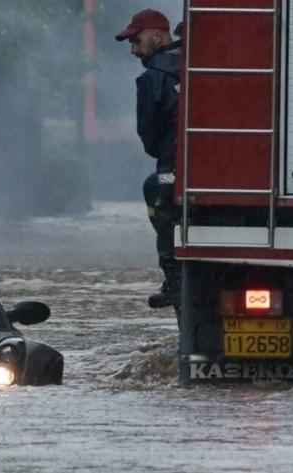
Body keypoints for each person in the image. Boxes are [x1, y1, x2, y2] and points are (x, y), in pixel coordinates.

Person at [116, 9, 182, 309]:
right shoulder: (198, 63)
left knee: (156, 194)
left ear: (158, 35)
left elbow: (149, 137)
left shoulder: (153, 78)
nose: (133, 50)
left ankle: (174, 278)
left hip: (174, 167)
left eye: (137, 40)